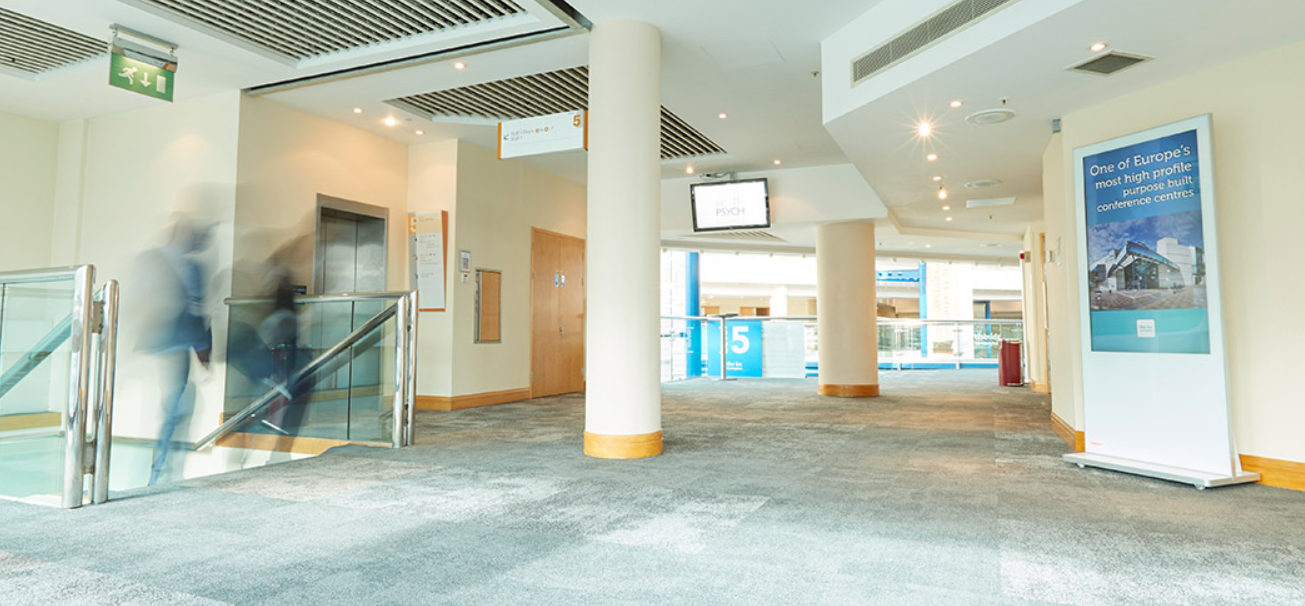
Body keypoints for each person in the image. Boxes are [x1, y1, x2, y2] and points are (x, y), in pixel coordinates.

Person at [138, 216, 214, 485]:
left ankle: (164, 470)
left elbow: (198, 309)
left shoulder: (194, 266)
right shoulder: (154, 260)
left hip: (179, 344)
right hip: (165, 343)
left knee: (178, 403)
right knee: (175, 405)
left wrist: (204, 348)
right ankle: (159, 473)